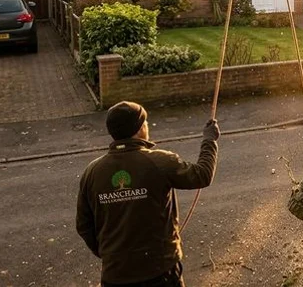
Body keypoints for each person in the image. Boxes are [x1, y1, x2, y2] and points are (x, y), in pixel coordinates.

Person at [77, 101, 220, 287]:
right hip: (161, 272)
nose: (147, 126)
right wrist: (209, 140)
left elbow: (83, 225)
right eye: (145, 123)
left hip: (115, 275)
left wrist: (110, 254)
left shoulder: (92, 171)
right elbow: (202, 175)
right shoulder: (160, 161)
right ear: (138, 129)